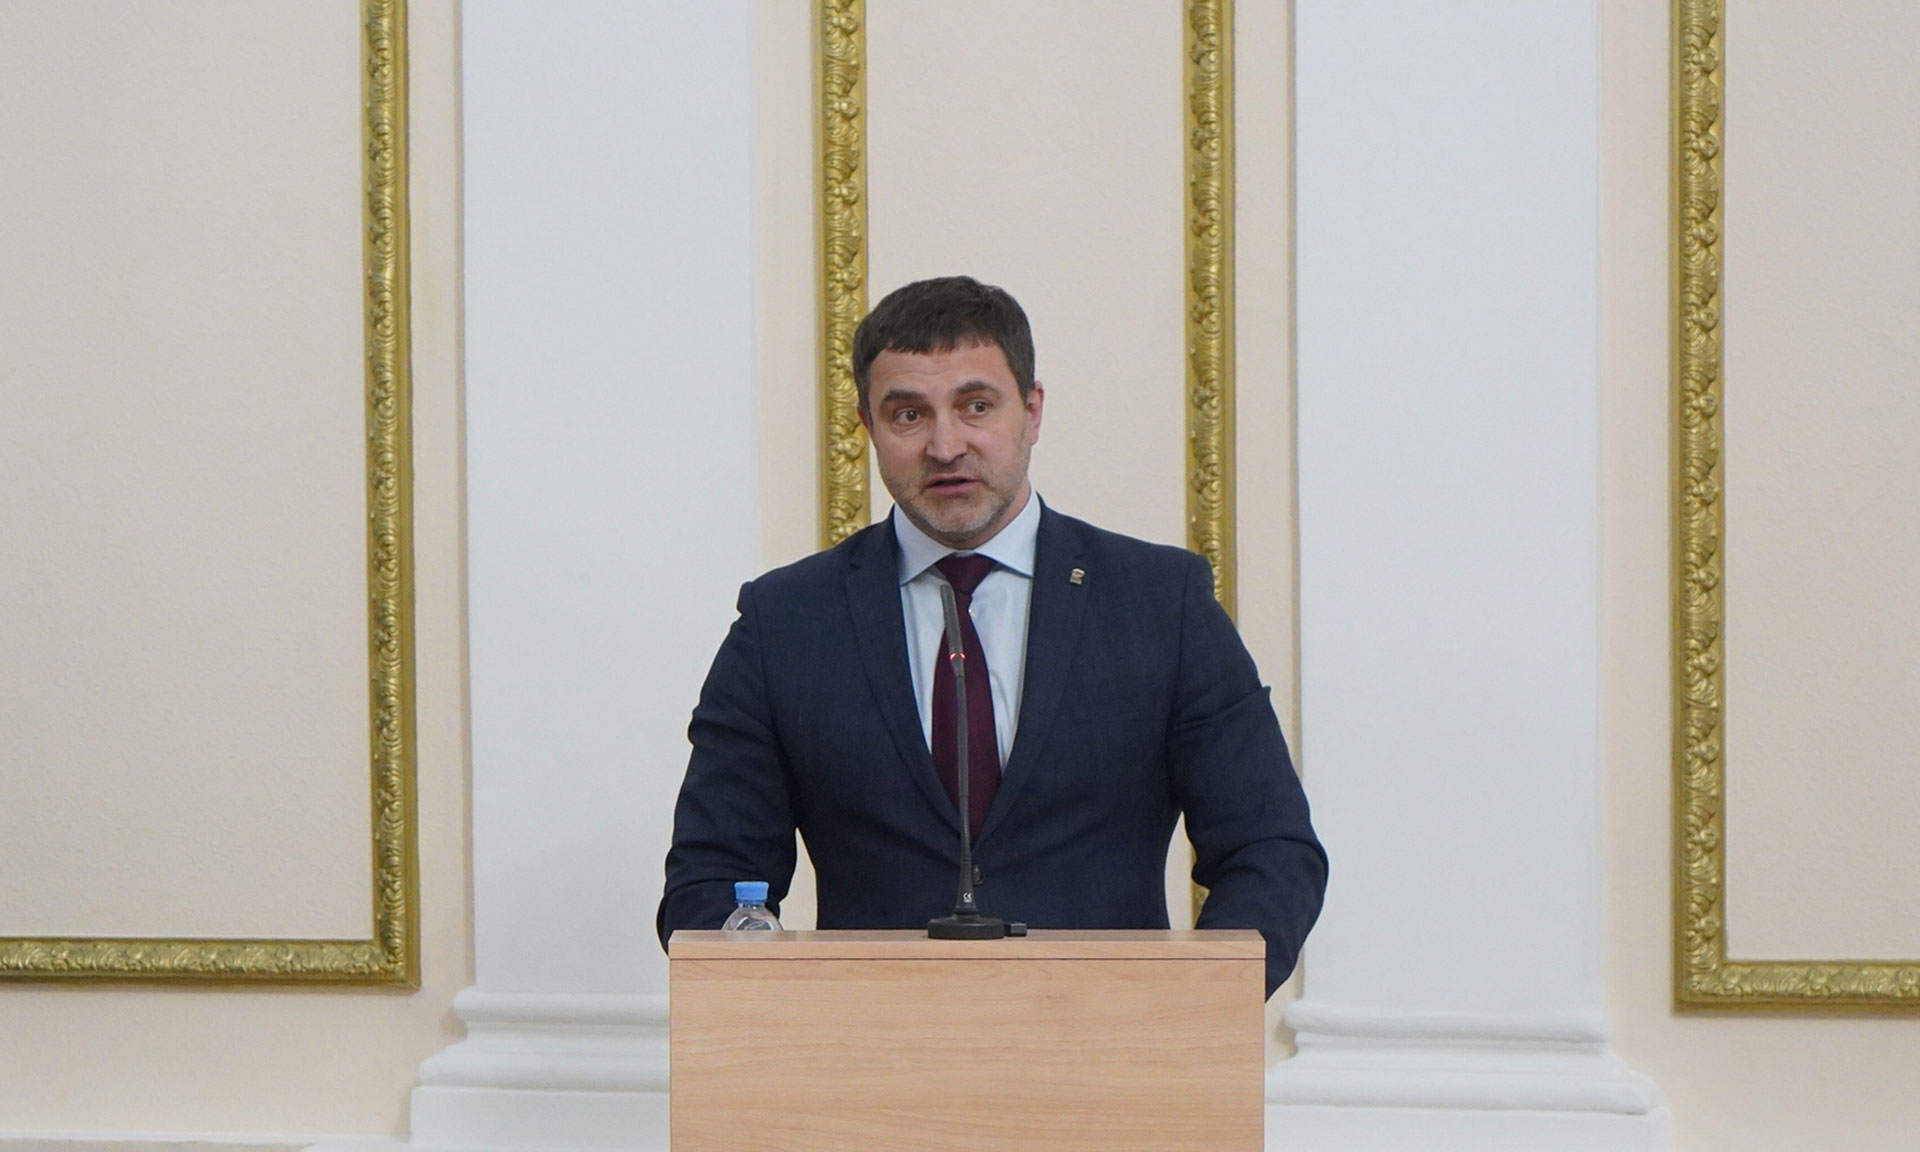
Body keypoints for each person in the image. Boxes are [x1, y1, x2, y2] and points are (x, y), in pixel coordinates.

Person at [657, 276, 1325, 996]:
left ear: (1032, 412)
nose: (946, 446)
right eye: (908, 415)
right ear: (867, 426)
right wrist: (779, 1016)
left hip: (1111, 1041)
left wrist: (1190, 1010)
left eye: (976, 406)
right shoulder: (786, 621)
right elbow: (711, 876)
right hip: (868, 1043)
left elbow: (1271, 851)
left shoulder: (1161, 603)